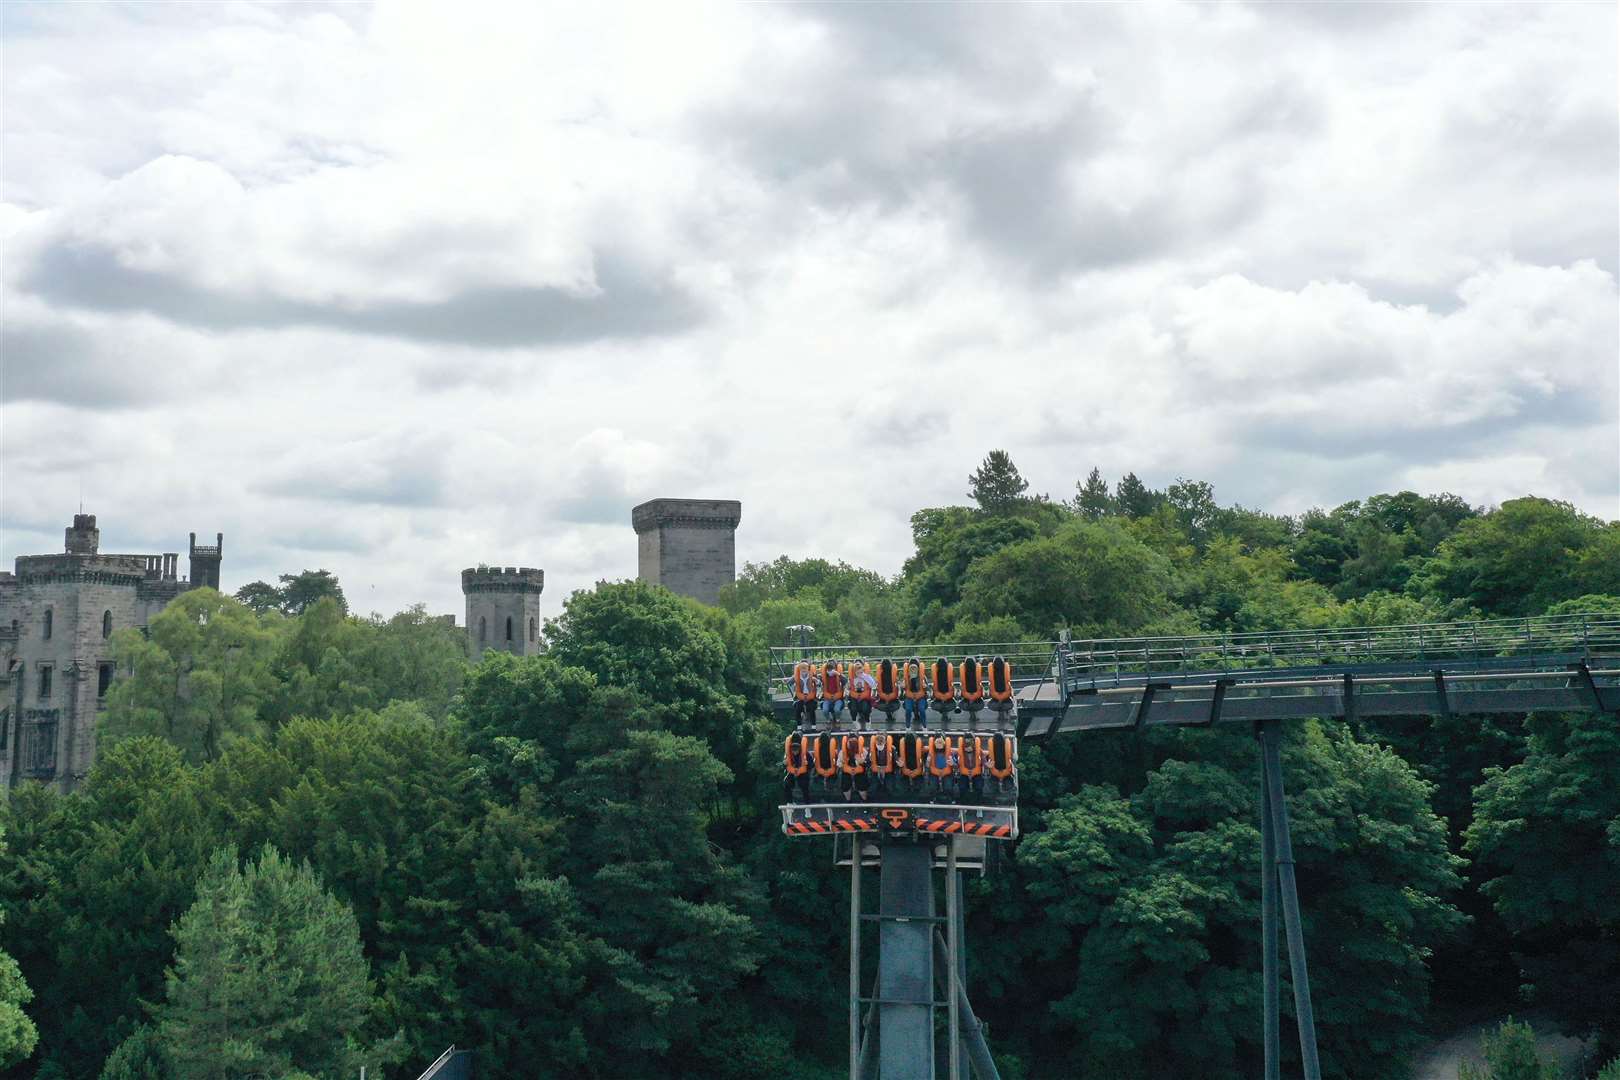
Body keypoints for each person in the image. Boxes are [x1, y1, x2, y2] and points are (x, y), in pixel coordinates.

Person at [902, 658, 929, 732]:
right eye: (912, 667)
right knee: (908, 709)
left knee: (922, 710)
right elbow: (903, 689)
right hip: (909, 697)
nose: (913, 669)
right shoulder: (906, 677)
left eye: (915, 667)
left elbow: (928, 688)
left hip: (920, 697)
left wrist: (925, 686)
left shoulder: (923, 677)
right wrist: (902, 686)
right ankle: (907, 727)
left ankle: (924, 727)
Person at [791, 661, 819, 730]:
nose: (803, 670)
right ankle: (799, 727)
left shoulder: (812, 676)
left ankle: (813, 727)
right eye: (802, 669)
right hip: (800, 698)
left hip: (810, 698)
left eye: (805, 668)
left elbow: (819, 683)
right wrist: (786, 681)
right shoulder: (796, 676)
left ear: (808, 669)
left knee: (812, 708)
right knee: (797, 708)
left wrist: (816, 681)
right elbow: (789, 682)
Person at [782, 735, 810, 804]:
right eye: (793, 748)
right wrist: (784, 764)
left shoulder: (806, 754)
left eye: (796, 748)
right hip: (792, 772)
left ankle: (807, 803)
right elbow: (784, 766)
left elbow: (811, 765)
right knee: (786, 783)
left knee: (804, 784)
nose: (794, 750)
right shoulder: (788, 754)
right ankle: (790, 802)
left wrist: (807, 764)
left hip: (803, 773)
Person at [849, 661, 877, 727]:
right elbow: (848, 687)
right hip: (855, 697)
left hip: (864, 697)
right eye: (857, 671)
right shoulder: (852, 678)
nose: (859, 673)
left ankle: (867, 721)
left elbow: (873, 685)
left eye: (860, 670)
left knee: (865, 708)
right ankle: (854, 721)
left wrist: (864, 677)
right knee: (853, 709)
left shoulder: (866, 676)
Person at [821, 661, 847, 727]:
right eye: (828, 669)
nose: (830, 671)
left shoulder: (839, 676)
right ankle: (828, 720)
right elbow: (818, 682)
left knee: (837, 710)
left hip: (838, 699)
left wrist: (838, 674)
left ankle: (837, 720)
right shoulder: (824, 677)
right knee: (825, 710)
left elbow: (845, 681)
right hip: (827, 699)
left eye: (832, 669)